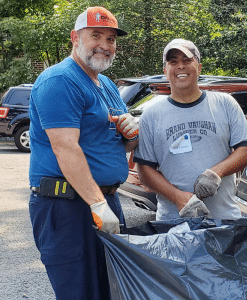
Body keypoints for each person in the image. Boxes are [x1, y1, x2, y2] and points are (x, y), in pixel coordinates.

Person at [28, 6, 138, 300]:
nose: (105, 45)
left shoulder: (108, 86)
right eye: (96, 35)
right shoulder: (60, 80)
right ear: (75, 38)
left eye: (111, 39)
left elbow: (121, 145)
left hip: (103, 202)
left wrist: (131, 135)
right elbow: (66, 148)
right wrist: (98, 204)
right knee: (79, 292)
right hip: (69, 208)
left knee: (111, 290)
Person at [133, 38, 247, 221]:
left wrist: (215, 173)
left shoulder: (224, 104)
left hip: (223, 222)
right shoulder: (151, 115)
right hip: (173, 224)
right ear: (165, 71)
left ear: (198, 67)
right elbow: (144, 170)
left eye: (187, 60)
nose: (180, 66)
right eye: (173, 62)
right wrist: (177, 197)